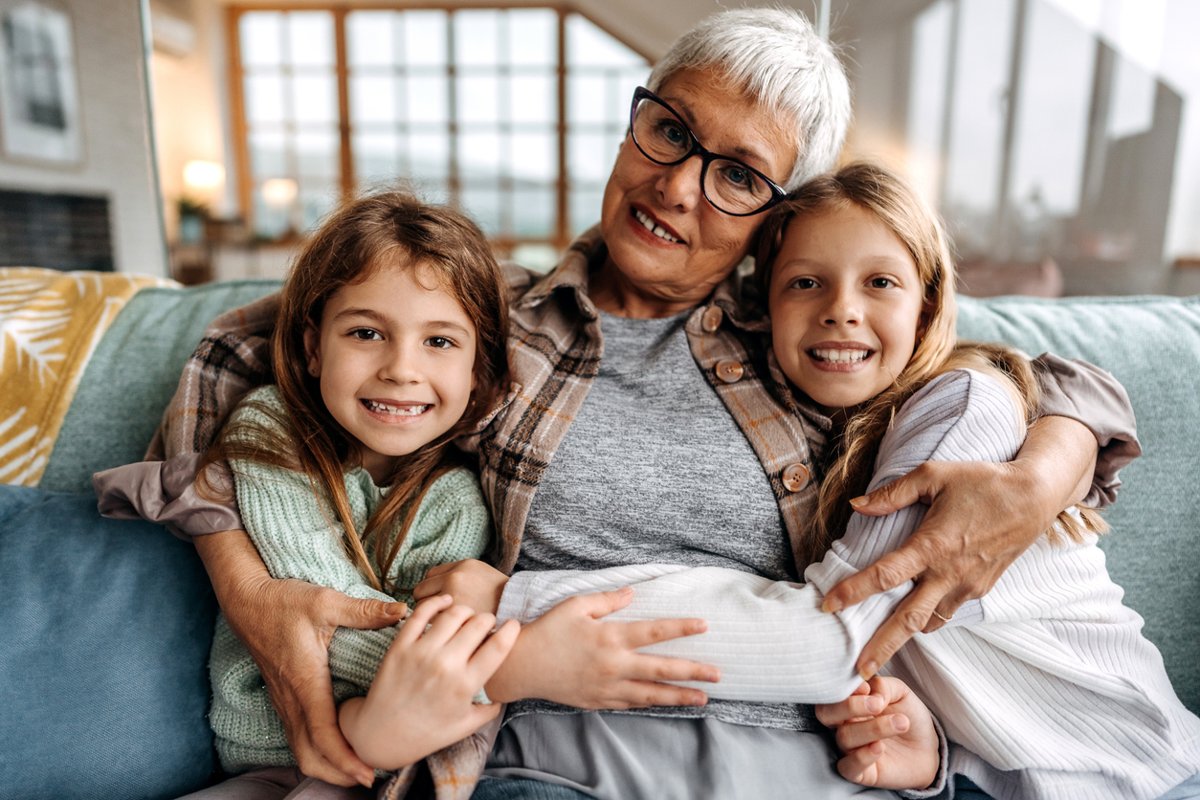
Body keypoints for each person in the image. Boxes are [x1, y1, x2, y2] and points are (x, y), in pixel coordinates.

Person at [94, 8, 1141, 799]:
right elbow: (239, 352)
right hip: (547, 756)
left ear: (776, 221)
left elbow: (1027, 368)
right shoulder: (487, 319)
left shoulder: (804, 332)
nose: (681, 186)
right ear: (637, 115)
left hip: (790, 756)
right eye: (670, 131)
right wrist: (246, 586)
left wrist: (1040, 467)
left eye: (738, 175)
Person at [479, 162, 1200, 799]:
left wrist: (512, 602)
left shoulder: (963, 405)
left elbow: (833, 644)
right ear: (763, 312)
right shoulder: (836, 439)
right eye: (806, 283)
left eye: (879, 282)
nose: (842, 309)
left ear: (926, 305)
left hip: (1138, 773)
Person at [168, 192, 521, 799]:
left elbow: (429, 641)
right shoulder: (268, 427)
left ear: (477, 369)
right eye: (366, 332)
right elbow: (314, 601)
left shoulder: (459, 499)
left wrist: (399, 706)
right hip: (267, 752)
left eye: (439, 342)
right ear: (312, 348)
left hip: (394, 769)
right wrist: (430, 680)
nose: (401, 369)